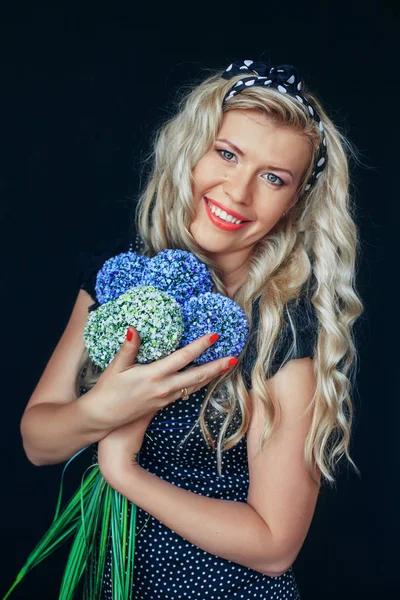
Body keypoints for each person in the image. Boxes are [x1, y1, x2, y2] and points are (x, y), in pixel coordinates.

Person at [19, 59, 364, 599]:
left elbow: (275, 546)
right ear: (192, 150)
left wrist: (123, 472)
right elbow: (37, 441)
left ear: (294, 202)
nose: (238, 192)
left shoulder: (282, 328)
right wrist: (100, 411)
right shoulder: (121, 277)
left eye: (273, 178)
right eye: (227, 154)